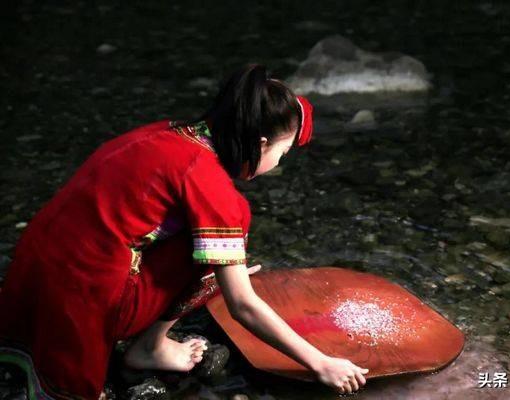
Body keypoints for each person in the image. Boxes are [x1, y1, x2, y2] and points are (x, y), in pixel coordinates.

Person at [0, 64, 369, 400]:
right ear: (259, 144)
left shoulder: (165, 134)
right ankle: (150, 348)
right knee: (222, 244)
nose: (277, 163)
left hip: (36, 272)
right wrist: (320, 362)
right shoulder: (214, 190)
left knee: (215, 246)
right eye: (283, 153)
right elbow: (242, 306)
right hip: (80, 298)